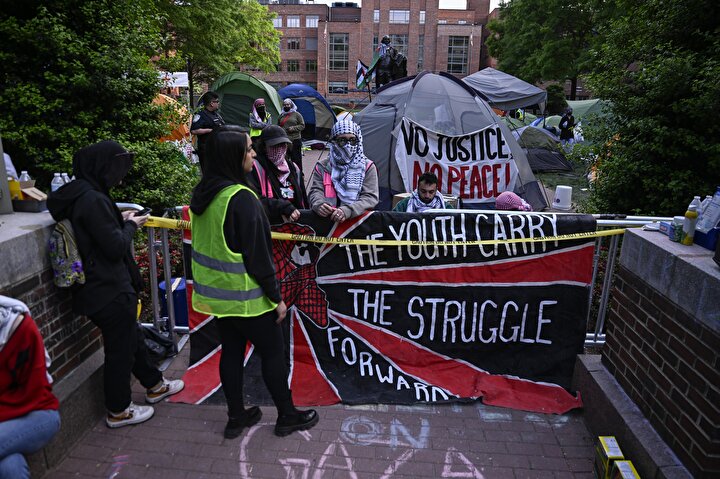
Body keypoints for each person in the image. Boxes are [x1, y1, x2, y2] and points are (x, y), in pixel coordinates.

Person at [189, 125, 318, 439]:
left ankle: (236, 416)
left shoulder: (204, 194)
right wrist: (277, 299)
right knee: (273, 354)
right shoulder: (241, 198)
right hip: (249, 298)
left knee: (231, 353)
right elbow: (259, 259)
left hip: (220, 299)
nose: (253, 154)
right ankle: (287, 415)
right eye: (248, 149)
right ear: (232, 156)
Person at [47, 141, 184, 429]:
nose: (120, 177)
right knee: (120, 351)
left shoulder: (81, 194)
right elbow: (114, 246)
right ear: (102, 167)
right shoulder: (93, 199)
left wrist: (118, 219)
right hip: (108, 287)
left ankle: (155, 385)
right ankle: (119, 410)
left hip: (99, 286)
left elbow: (95, 231)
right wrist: (131, 225)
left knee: (131, 339)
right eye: (117, 169)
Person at [0, 296, 60, 479]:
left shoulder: (20, 328)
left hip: (36, 413)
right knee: (9, 466)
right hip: (5, 417)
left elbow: (34, 392)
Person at [308, 120, 379, 223]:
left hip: (356, 224)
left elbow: (370, 197)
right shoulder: (323, 166)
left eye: (353, 140)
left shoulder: (367, 167)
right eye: (342, 140)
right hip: (327, 222)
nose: (348, 145)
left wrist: (348, 211)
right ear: (334, 141)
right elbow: (316, 191)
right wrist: (319, 204)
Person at [248, 125, 306, 223]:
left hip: (295, 224)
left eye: (283, 145)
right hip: (270, 224)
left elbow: (303, 198)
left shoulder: (293, 168)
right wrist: (283, 207)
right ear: (264, 147)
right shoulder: (256, 167)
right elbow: (253, 199)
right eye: (274, 146)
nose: (279, 149)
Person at [190, 91, 226, 171]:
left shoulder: (216, 114)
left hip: (218, 148)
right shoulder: (201, 115)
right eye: (217, 101)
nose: (218, 103)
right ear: (211, 103)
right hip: (206, 150)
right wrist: (210, 130)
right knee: (209, 172)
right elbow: (194, 131)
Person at [277, 99, 305, 171]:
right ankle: (289, 172)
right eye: (285, 105)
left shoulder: (297, 114)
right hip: (284, 140)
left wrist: (293, 128)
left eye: (288, 104)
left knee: (296, 158)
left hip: (295, 139)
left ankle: (299, 173)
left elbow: (302, 125)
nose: (286, 106)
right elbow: (278, 125)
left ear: (291, 105)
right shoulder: (281, 115)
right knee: (285, 158)